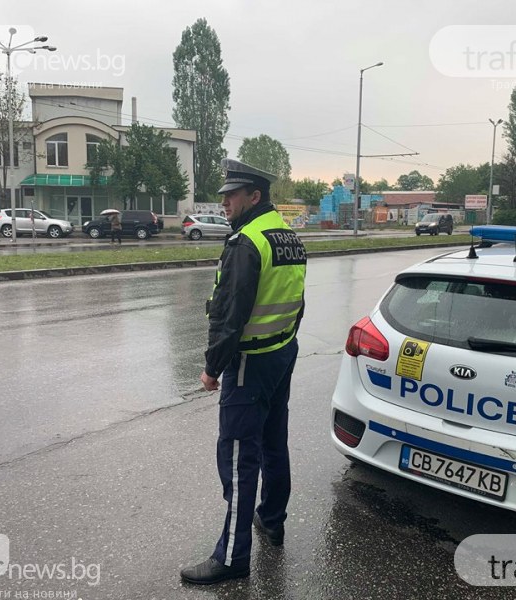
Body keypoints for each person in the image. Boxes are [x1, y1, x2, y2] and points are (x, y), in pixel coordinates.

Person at [180, 159, 307, 586]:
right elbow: (297, 302)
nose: (225, 202)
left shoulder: (246, 243)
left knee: (237, 459)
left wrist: (212, 367)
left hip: (250, 362)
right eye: (223, 195)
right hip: (281, 354)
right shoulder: (288, 237)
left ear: (254, 197)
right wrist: (285, 345)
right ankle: (271, 520)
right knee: (273, 442)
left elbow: (230, 315)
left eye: (231, 195)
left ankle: (232, 558)